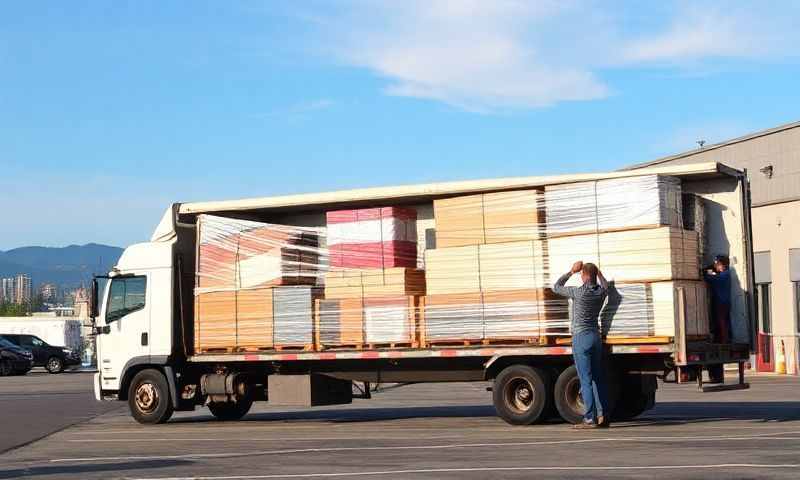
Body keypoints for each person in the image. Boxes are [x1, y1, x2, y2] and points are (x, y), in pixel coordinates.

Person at [552, 261, 610, 429]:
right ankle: (602, 415)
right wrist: (599, 273)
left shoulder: (578, 292)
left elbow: (556, 287)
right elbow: (606, 286)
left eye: (581, 274)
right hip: (595, 336)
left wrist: (571, 271)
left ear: (583, 276)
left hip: (581, 337)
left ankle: (590, 419)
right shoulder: (600, 292)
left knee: (585, 379)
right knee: (598, 378)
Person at [704, 255, 732, 383]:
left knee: (721, 327)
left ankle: (724, 339)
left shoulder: (725, 275)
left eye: (717, 264)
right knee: (718, 328)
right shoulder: (722, 274)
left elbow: (711, 279)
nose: (716, 266)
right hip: (719, 303)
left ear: (723, 265)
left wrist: (706, 272)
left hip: (721, 304)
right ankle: (715, 376)